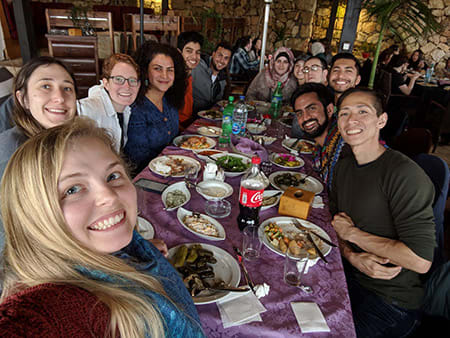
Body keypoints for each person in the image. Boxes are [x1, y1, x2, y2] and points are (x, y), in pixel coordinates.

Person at [0, 117, 205, 337]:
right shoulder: (56, 306)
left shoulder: (130, 248)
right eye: (72, 189)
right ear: (34, 217)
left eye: (112, 176)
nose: (108, 195)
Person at [331, 88, 435, 337]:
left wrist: (354, 235)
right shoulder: (344, 165)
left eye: (362, 112)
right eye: (344, 113)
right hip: (348, 276)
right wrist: (350, 255)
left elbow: (420, 261)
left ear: (382, 120)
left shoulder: (403, 174)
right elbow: (335, 223)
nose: (351, 120)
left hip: (391, 300)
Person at [0, 56, 77, 180]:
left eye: (67, 88)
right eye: (46, 86)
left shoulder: (74, 139)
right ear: (23, 99)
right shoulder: (10, 152)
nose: (60, 98)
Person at [124, 42, 187, 174]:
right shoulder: (136, 108)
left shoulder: (170, 101)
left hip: (174, 169)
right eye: (157, 69)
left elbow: (174, 140)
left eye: (170, 69)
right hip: (147, 176)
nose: (165, 75)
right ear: (145, 72)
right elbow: (137, 159)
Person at [78, 53, 140, 152]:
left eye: (132, 80)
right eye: (118, 79)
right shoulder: (88, 109)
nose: (127, 86)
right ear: (106, 83)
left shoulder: (126, 109)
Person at [291, 83, 347, 189]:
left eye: (312, 108)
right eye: (299, 113)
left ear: (329, 110)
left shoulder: (344, 148)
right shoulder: (320, 147)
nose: (305, 117)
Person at [192, 41, 232, 113]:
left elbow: (219, 103)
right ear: (213, 54)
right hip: (190, 116)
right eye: (219, 55)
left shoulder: (223, 80)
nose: (222, 60)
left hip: (208, 116)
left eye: (226, 58)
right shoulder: (197, 66)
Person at [177, 31, 204, 127]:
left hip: (189, 124)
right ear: (179, 53)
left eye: (198, 52)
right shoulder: (174, 79)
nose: (194, 57)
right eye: (189, 51)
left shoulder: (189, 76)